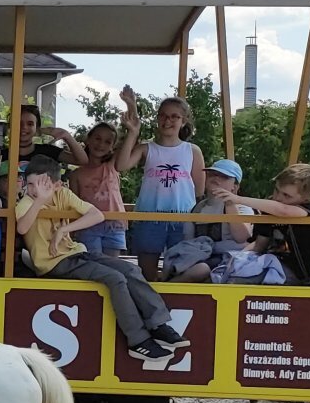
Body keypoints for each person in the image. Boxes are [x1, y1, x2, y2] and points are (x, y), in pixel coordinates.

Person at [17, 155, 186, 361]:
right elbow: (22, 227)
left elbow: (97, 215)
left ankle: (158, 324)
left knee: (130, 269)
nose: (35, 190)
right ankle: (138, 341)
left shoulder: (63, 193)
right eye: (31, 184)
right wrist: (40, 200)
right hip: (53, 263)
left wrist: (64, 230)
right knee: (115, 278)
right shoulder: (26, 202)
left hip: (76, 253)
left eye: (42, 185)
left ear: (57, 184)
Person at [116, 86, 204, 280]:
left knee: (179, 271)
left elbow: (199, 191)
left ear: (183, 121)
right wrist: (133, 132)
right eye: (163, 116)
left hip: (183, 219)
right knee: (147, 274)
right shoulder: (146, 148)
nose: (168, 121)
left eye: (174, 117)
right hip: (150, 216)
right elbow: (121, 166)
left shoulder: (192, 150)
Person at [209, 163, 310, 285]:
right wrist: (238, 258)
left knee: (236, 281)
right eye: (277, 190)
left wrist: (239, 199)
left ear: (306, 198)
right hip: (269, 263)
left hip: (296, 274)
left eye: (286, 195)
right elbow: (259, 245)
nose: (277, 197)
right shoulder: (270, 209)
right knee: (224, 270)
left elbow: (283, 211)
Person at [163, 158, 255, 282]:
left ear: (235, 186)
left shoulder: (242, 207)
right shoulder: (197, 208)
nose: (216, 178)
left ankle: (165, 289)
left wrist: (229, 204)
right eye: (212, 174)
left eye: (224, 176)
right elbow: (188, 242)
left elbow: (242, 238)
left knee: (201, 269)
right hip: (198, 256)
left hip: (228, 259)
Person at [67, 123, 129, 256]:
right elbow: (74, 205)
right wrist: (70, 232)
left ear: (112, 147)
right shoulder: (76, 174)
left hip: (114, 224)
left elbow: (128, 147)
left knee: (111, 264)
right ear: (88, 139)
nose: (101, 144)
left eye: (107, 142)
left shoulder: (113, 164)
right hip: (88, 224)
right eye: (97, 138)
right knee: (93, 263)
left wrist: (132, 128)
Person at [9, 104, 86, 173]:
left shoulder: (48, 151)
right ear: (10, 126)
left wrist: (66, 135)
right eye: (19, 123)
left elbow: (82, 160)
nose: (24, 127)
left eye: (30, 124)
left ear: (37, 127)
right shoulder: (3, 154)